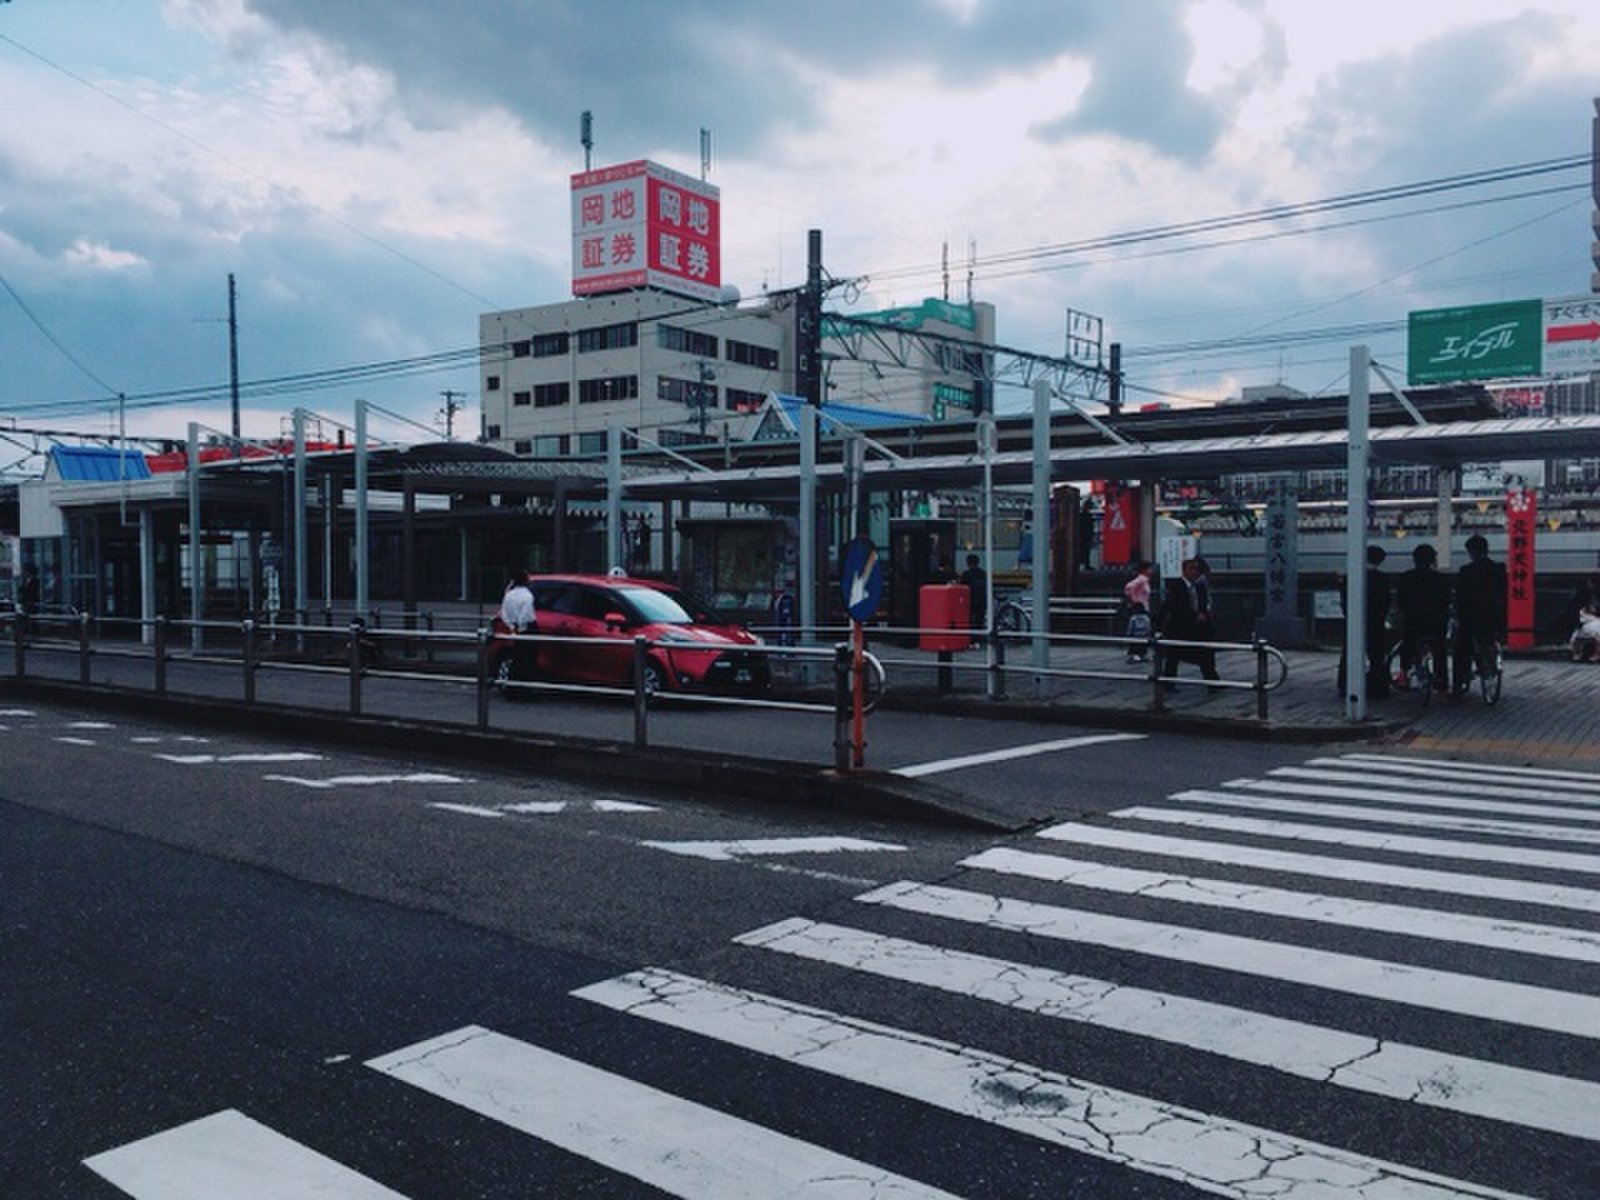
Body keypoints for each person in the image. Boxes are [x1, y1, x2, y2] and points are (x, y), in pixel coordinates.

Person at [1452, 534, 1506, 695]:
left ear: (1471, 551)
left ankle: (1460, 681)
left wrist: (1458, 616)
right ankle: (1490, 666)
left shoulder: (1466, 570)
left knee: (1462, 648)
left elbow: (1461, 598)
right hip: (1493, 618)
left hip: (1471, 619)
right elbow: (1503, 593)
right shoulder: (1498, 568)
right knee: (1488, 641)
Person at [1395, 543, 1451, 693]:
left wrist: (1399, 623)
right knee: (1440, 649)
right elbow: (1447, 603)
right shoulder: (1441, 579)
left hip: (1413, 623)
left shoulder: (1406, 578)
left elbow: (1401, 604)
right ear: (1433, 559)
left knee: (1407, 645)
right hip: (1435, 624)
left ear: (1414, 559)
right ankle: (1441, 680)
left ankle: (1405, 675)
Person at [1157, 557, 1220, 689]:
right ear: (1184, 570)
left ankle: (1213, 682)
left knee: (1205, 655)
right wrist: (1194, 616)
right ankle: (1168, 684)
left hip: (1199, 628)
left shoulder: (1199, 586)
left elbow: (1203, 604)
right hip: (1180, 627)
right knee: (1173, 657)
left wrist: (1204, 615)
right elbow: (1176, 606)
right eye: (1191, 569)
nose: (1195, 572)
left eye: (1196, 569)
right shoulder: (1176, 586)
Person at [1338, 545, 1392, 696]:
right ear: (1380, 560)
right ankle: (1378, 686)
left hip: (1354, 619)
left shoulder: (1351, 576)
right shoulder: (1382, 578)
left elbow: (1344, 598)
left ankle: (1345, 684)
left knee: (1349, 651)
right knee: (1377, 653)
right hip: (1375, 619)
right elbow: (1386, 600)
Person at [498, 571, 537, 687]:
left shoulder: (509, 595)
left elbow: (504, 613)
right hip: (528, 629)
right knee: (528, 659)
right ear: (526, 581)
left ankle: (514, 686)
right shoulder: (527, 596)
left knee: (517, 658)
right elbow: (525, 615)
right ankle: (526, 688)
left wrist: (512, 627)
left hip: (514, 627)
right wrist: (521, 628)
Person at [1122, 560, 1153, 663]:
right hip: (1140, 607)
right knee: (1139, 631)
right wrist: (1134, 600)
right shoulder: (1141, 579)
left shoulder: (1145, 580)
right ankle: (1136, 653)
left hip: (1143, 606)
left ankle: (1141, 653)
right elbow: (1128, 587)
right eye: (1149, 568)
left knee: (1142, 632)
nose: (1151, 571)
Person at [959, 553, 988, 630]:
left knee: (970, 620)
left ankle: (972, 637)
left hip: (971, 601)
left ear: (967, 563)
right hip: (982, 601)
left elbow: (961, 587)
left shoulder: (966, 574)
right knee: (980, 619)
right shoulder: (983, 573)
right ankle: (980, 636)